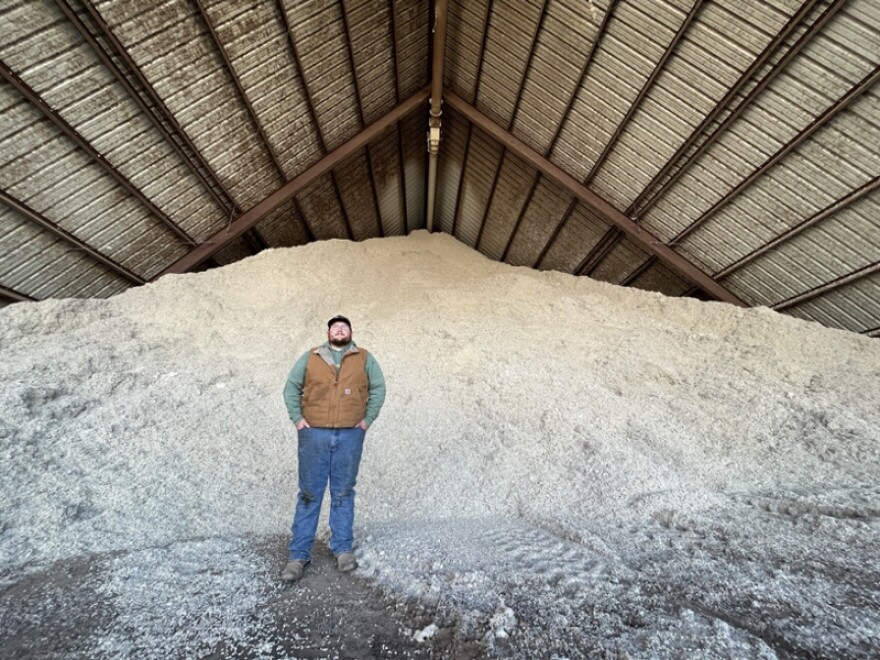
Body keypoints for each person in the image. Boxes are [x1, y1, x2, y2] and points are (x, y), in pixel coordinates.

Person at [280, 315, 386, 582]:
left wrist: (367, 420)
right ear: (328, 333)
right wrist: (298, 419)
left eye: (344, 326)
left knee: (343, 491)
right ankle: (298, 555)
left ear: (351, 332)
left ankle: (342, 549)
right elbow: (291, 387)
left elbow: (379, 388)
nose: (339, 329)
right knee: (309, 493)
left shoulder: (364, 357)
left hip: (351, 433)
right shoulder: (311, 357)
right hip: (313, 433)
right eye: (335, 327)